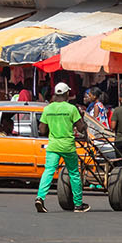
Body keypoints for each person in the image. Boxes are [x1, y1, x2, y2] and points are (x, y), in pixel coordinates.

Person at [35, 83, 88, 213]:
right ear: (66, 94)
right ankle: (78, 204)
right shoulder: (71, 109)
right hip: (68, 146)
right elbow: (81, 128)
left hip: (53, 145)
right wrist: (81, 117)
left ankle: (40, 198)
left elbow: (42, 130)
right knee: (74, 173)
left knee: (48, 171)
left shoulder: (48, 109)